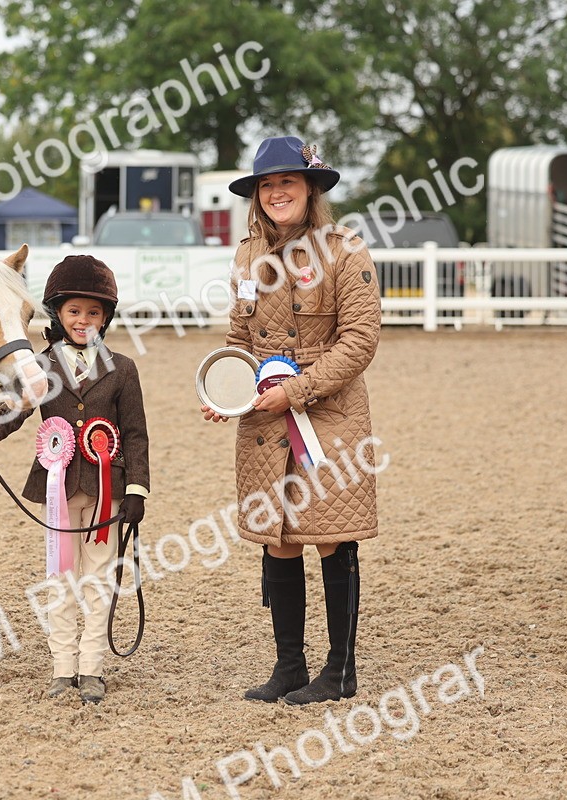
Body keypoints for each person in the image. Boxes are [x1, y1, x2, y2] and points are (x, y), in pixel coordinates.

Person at [201, 136, 381, 705]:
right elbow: (239, 337)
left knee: (330, 536)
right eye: (267, 184)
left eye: (288, 182)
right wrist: (227, 391)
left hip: (328, 417)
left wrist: (297, 391)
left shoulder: (346, 250)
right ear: (257, 195)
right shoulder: (247, 255)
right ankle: (289, 666)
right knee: (277, 538)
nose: (277, 192)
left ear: (309, 189)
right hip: (264, 418)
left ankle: (340, 670)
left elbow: (359, 340)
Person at [0, 255, 151, 704]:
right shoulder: (41, 365)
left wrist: (137, 489)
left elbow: (135, 432)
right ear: (59, 314)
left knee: (99, 577)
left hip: (108, 488)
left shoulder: (123, 368)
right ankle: (62, 666)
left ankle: (90, 668)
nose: (83, 320)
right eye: (74, 312)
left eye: (93, 312)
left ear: (105, 316)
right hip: (59, 486)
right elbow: (19, 404)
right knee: (61, 578)